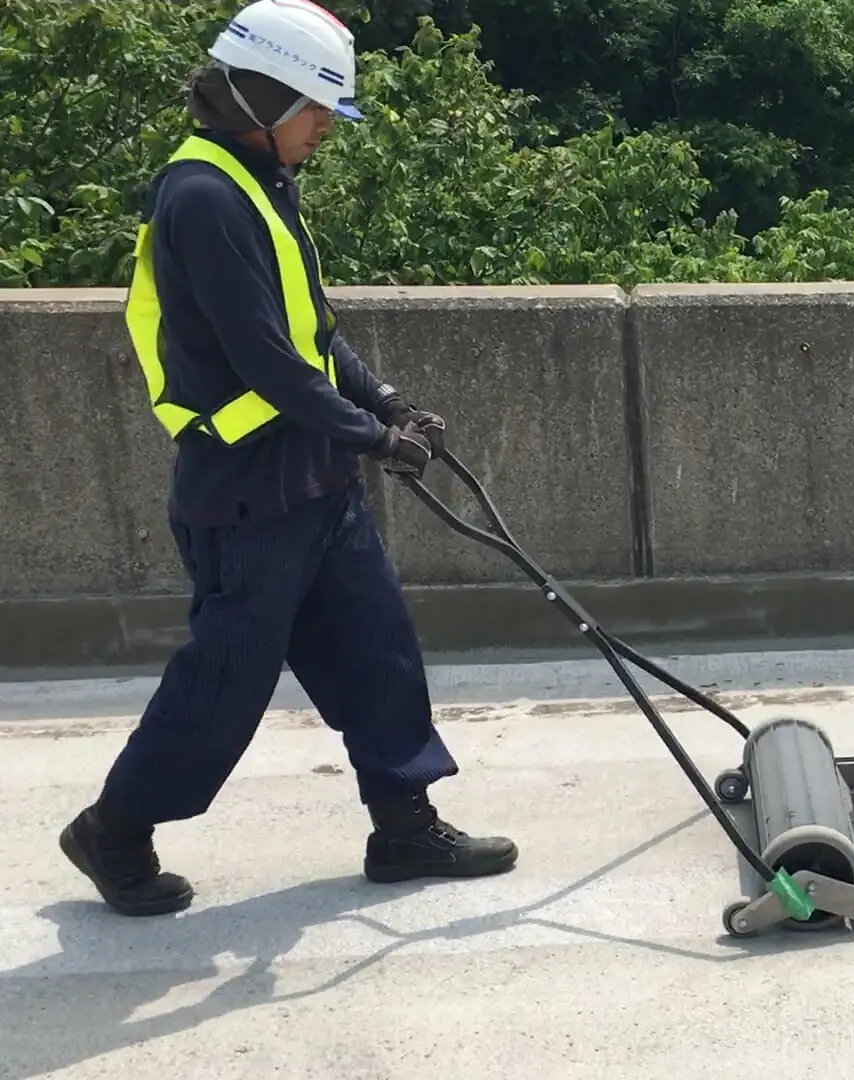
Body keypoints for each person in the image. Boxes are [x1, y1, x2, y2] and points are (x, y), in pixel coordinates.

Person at [59, 0, 517, 918]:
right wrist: (375, 439)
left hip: (317, 479)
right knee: (226, 683)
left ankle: (404, 825)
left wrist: (386, 401)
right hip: (245, 496)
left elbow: (312, 334)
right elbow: (266, 362)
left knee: (377, 652)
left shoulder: (261, 182)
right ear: (263, 97)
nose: (326, 129)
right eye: (316, 109)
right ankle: (113, 829)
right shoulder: (202, 199)